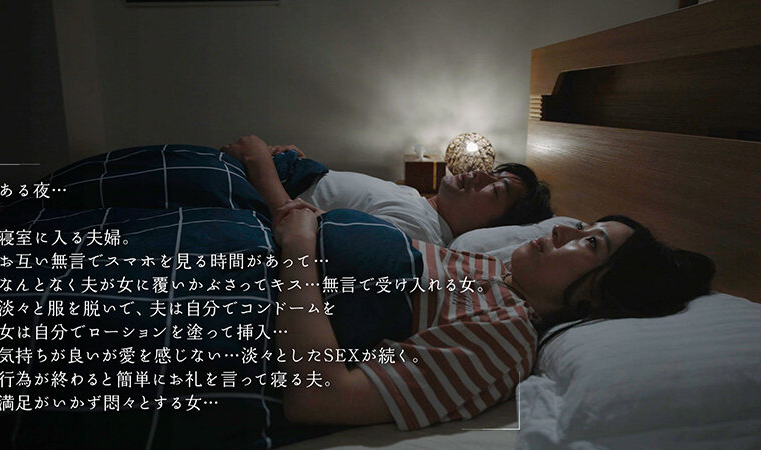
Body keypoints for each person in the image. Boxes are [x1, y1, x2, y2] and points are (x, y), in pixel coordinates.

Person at [224, 136, 715, 430]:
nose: (563, 230)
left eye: (588, 243)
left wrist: (298, 247)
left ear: (595, 296)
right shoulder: (491, 270)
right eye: (582, 226)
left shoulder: (504, 341)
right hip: (248, 246)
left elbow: (320, 397)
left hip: (241, 294)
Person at [232, 136, 553, 245]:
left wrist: (257, 159)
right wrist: (297, 161)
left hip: (259, 184)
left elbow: (300, 226)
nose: (482, 174)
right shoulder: (417, 202)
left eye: (496, 190)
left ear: (489, 229)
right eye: (493, 173)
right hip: (278, 171)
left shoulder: (417, 230)